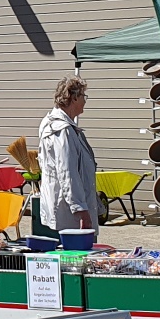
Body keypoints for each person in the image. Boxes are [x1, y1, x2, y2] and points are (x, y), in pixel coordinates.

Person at [36, 76, 97, 235]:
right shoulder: (62, 130)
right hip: (68, 212)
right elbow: (67, 172)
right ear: (74, 97)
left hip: (64, 206)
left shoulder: (56, 124)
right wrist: (80, 209)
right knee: (74, 256)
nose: (85, 101)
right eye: (84, 96)